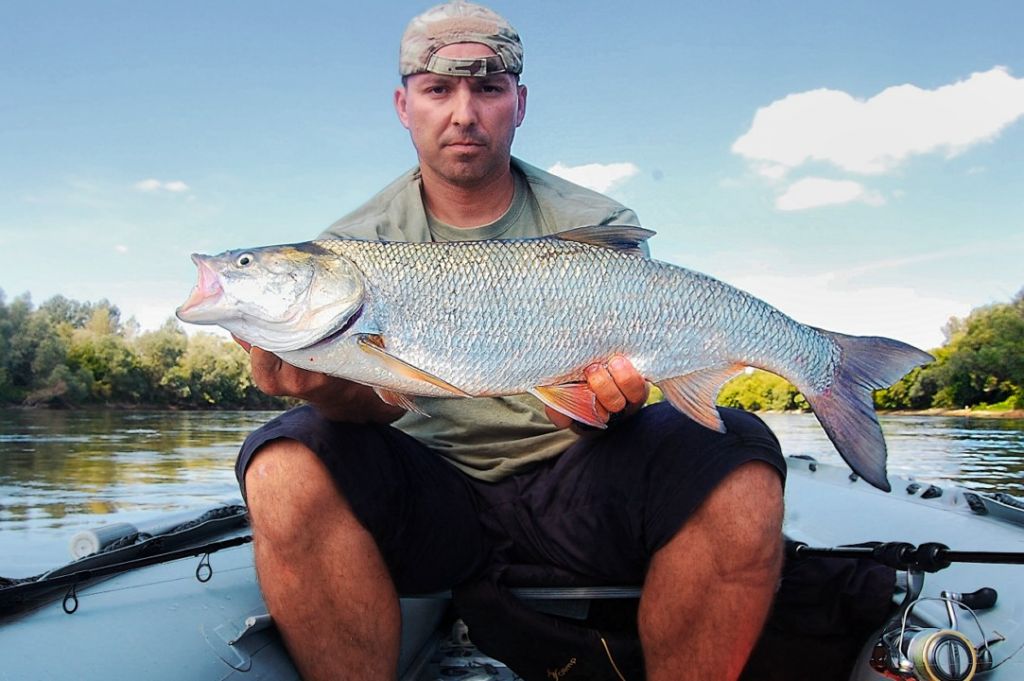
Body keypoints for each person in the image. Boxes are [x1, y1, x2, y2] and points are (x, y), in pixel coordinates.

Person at [236, 2, 786, 680]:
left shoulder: (596, 223)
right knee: (282, 460)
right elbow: (374, 411)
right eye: (438, 89)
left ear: (519, 103)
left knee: (741, 452)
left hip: (576, 484)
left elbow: (612, 406)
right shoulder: (351, 249)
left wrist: (602, 407)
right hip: (433, 494)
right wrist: (330, 392)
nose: (463, 114)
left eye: (488, 88)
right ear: (404, 105)